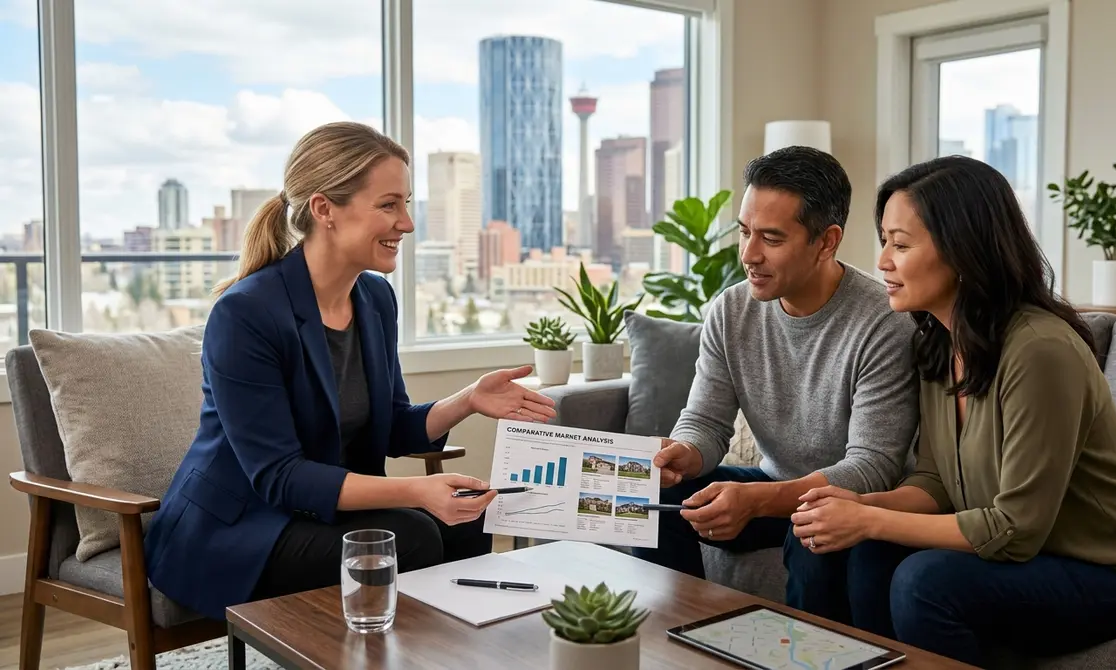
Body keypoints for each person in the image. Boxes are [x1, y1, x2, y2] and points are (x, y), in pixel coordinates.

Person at [143, 121, 556, 621]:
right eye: (389, 205)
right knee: (413, 535)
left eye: (406, 203)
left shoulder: (375, 299)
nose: (407, 223)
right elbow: (279, 476)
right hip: (242, 529)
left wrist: (467, 399)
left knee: (470, 516)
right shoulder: (246, 313)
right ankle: (379, 648)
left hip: (321, 511)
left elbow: (392, 426)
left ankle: (437, 649)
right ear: (324, 210)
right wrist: (416, 491)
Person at [790, 155, 1116, 665]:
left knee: (924, 581)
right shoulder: (937, 342)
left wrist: (869, 519)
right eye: (884, 240)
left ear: (963, 250)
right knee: (861, 551)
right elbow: (935, 482)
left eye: (901, 244)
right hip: (1034, 558)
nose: (882, 260)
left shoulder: (1040, 349)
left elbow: (1015, 529)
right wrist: (858, 506)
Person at [631, 146, 920, 619]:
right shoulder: (730, 310)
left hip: (849, 500)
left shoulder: (883, 322)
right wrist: (683, 453)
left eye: (771, 238)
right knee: (655, 494)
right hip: (772, 484)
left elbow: (873, 467)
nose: (749, 254)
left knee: (814, 532)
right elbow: (705, 422)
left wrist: (760, 501)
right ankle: (683, 635)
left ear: (826, 242)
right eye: (745, 232)